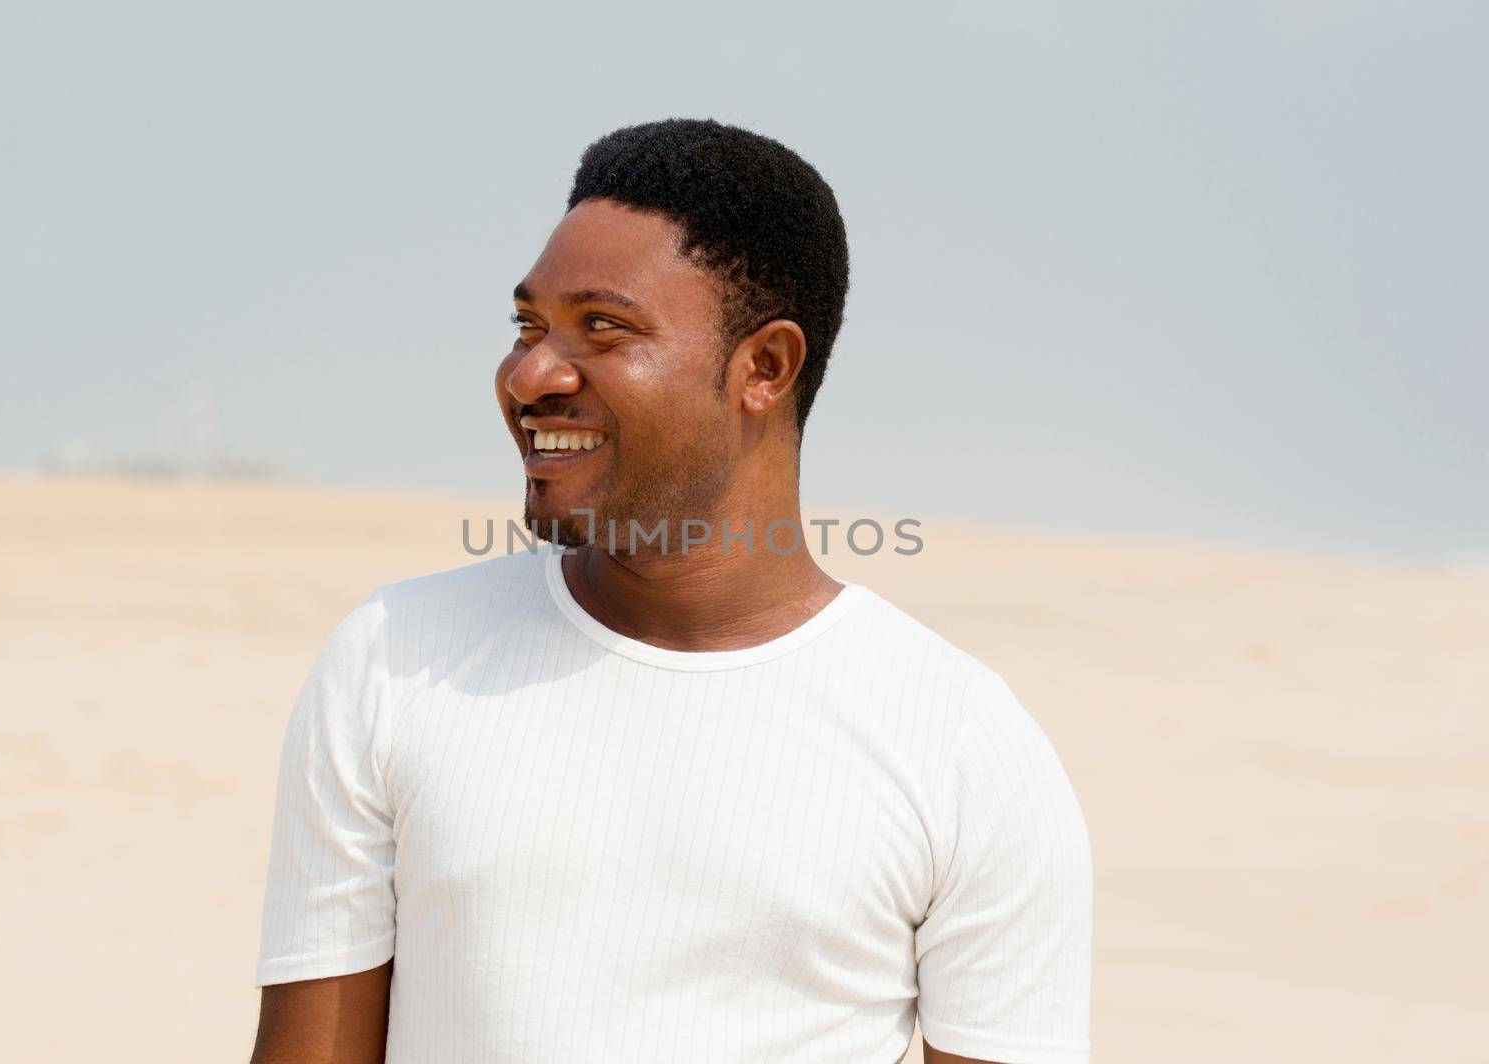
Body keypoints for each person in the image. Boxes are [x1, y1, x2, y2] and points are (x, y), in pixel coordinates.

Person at [249, 117, 1092, 1064]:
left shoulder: (960, 747)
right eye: (529, 325)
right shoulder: (396, 661)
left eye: (602, 328)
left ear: (763, 368)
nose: (531, 375)